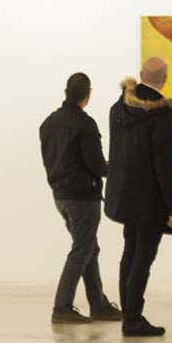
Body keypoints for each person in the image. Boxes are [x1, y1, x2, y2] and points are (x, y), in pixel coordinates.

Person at [104, 57, 172, 337]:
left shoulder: (118, 108)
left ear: (140, 74)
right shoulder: (161, 116)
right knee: (142, 259)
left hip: (124, 194)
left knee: (130, 252)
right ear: (165, 78)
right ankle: (133, 318)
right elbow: (163, 166)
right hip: (149, 199)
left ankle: (129, 313)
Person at [40, 72, 121, 324]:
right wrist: (118, 167)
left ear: (66, 92)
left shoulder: (48, 123)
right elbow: (96, 165)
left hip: (60, 195)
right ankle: (61, 307)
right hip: (83, 196)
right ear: (88, 94)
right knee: (82, 249)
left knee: (89, 248)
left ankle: (98, 305)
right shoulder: (85, 124)